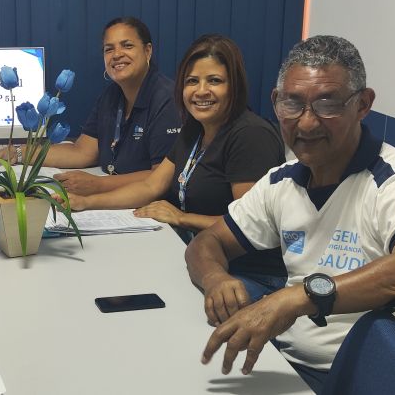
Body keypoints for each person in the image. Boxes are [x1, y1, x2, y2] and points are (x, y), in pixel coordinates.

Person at [192, 36, 395, 391]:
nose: (307, 123)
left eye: (327, 104)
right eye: (293, 104)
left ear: (363, 105)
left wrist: (300, 297)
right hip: (287, 362)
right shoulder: (283, 180)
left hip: (367, 381)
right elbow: (207, 242)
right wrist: (215, 280)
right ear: (276, 102)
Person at [67, 34, 288, 300]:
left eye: (214, 81)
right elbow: (151, 185)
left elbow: (253, 226)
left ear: (235, 86)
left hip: (248, 275)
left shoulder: (250, 136)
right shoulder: (194, 130)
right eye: (192, 81)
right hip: (195, 256)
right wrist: (84, 203)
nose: (201, 91)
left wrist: (181, 218)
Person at [0, 17, 180, 196]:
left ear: (148, 51)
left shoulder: (167, 100)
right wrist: (21, 153)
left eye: (127, 46)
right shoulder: (111, 95)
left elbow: (161, 177)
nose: (117, 54)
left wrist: (97, 185)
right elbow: (82, 152)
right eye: (109, 49)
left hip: (152, 207)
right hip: (117, 199)